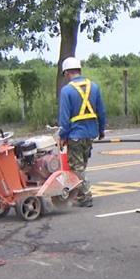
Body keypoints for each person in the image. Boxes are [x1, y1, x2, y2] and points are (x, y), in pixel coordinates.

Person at [57, 56, 106, 207]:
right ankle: (80, 193)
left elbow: (64, 119)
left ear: (66, 73)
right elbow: (101, 112)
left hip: (75, 135)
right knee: (82, 165)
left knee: (77, 167)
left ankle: (86, 195)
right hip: (90, 133)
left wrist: (61, 136)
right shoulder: (94, 87)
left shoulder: (66, 91)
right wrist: (101, 130)